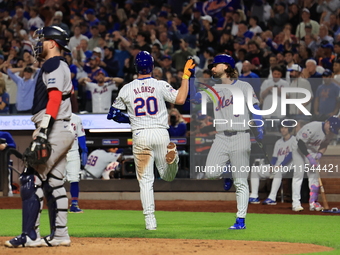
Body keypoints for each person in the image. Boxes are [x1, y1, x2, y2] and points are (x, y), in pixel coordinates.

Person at [107, 51, 195, 230]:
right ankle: (173, 159)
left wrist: (130, 119)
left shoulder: (126, 88)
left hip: (140, 134)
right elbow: (180, 98)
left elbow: (113, 114)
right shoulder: (159, 84)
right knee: (168, 176)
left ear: (136, 68)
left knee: (146, 181)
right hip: (161, 132)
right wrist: (185, 77)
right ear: (152, 67)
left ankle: (150, 221)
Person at [5, 26, 74, 248]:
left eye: (43, 40)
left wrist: (44, 129)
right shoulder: (62, 65)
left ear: (53, 43)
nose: (39, 43)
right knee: (54, 183)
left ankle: (31, 235)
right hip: (63, 127)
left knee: (29, 178)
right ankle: (60, 235)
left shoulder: (53, 63)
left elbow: (54, 98)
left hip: (52, 126)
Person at [191, 54, 264, 229]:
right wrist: (190, 77)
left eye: (215, 65)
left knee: (241, 182)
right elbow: (194, 99)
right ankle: (227, 172)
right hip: (221, 137)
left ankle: (240, 219)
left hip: (241, 136)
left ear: (226, 67)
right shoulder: (213, 89)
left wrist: (260, 128)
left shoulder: (244, 86)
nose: (213, 68)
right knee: (210, 172)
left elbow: (255, 108)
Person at [291, 116, 340, 212]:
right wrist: (309, 157)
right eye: (331, 129)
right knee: (299, 175)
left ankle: (313, 203)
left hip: (312, 149)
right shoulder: (313, 127)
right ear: (327, 123)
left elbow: (325, 144)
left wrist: (319, 154)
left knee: (314, 177)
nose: (331, 132)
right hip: (298, 148)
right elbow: (301, 144)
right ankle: (296, 203)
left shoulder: (331, 132)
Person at [249, 120, 295, 205]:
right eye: (281, 127)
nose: (283, 129)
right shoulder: (278, 142)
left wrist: (279, 166)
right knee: (255, 169)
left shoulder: (294, 140)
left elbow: (290, 156)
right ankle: (254, 196)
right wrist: (272, 165)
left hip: (289, 167)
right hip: (277, 166)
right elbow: (274, 157)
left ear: (290, 129)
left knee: (278, 171)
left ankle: (272, 197)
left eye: (285, 127)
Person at [66, 113, 88, 213]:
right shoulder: (54, 115)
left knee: (75, 179)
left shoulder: (76, 118)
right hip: (58, 152)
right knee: (58, 180)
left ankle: (74, 205)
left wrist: (84, 149)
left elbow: (81, 135)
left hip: (73, 151)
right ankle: (56, 204)